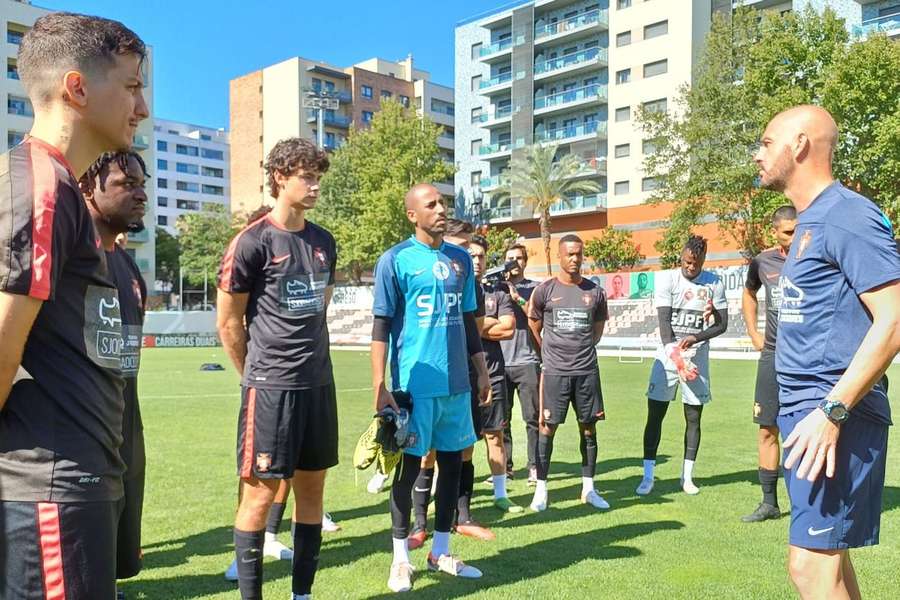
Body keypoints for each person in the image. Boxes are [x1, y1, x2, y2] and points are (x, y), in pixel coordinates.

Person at [0, 13, 148, 599]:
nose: (140, 107)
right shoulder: (39, 185)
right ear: (77, 87)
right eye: (132, 85)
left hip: (73, 483)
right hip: (50, 485)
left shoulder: (55, 184)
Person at [755, 105, 900, 599]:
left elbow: (894, 318)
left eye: (766, 142)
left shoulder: (847, 215)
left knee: (810, 567)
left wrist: (832, 411)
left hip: (832, 414)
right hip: (808, 414)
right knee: (828, 563)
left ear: (799, 145)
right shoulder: (811, 221)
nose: (759, 154)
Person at [217, 137, 337, 600]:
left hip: (319, 385)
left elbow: (319, 307)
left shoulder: (324, 241)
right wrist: (256, 374)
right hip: (271, 389)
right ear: (280, 178)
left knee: (312, 493)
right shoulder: (252, 242)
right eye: (306, 176)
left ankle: (301, 595)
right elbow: (228, 322)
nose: (314, 185)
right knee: (260, 496)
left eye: (317, 177)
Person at [371, 184, 490, 593]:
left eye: (443, 203)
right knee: (407, 473)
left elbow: (469, 318)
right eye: (432, 205)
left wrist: (481, 370)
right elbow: (381, 326)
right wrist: (379, 385)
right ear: (412, 215)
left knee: (453, 470)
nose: (441, 210)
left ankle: (440, 551)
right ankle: (401, 560)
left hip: (456, 383)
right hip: (414, 388)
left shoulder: (460, 259)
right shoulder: (395, 260)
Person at [80, 151, 151, 597]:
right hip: (75, 439)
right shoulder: (67, 258)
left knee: (113, 550)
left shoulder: (126, 266)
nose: (142, 194)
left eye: (143, 184)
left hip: (123, 424)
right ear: (88, 187)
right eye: (127, 184)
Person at [636, 235, 728, 496]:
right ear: (682, 256)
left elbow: (722, 325)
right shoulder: (667, 280)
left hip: (697, 357)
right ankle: (648, 476)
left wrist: (696, 338)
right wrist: (676, 357)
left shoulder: (714, 283)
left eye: (696, 263)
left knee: (694, 417)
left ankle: (687, 477)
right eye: (688, 262)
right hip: (668, 356)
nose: (691, 267)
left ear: (703, 260)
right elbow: (665, 326)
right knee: (655, 415)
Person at [527, 235, 610, 512]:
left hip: (586, 371)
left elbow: (596, 331)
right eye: (570, 254)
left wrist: (581, 349)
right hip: (554, 372)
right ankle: (541, 490)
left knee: (588, 428)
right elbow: (534, 326)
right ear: (560, 257)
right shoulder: (545, 291)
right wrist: (550, 352)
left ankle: (589, 488)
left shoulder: (595, 292)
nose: (575, 259)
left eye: (579, 254)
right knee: (547, 428)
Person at [740, 205, 797, 523]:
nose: (794, 237)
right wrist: (753, 332)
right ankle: (769, 503)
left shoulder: (815, 257)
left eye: (798, 229)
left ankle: (807, 502)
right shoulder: (763, 262)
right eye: (788, 231)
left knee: (803, 431)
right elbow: (749, 293)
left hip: (806, 358)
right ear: (774, 231)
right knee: (767, 430)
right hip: (772, 356)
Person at [499, 244, 542, 485]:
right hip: (501, 362)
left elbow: (537, 318)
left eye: (518, 258)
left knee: (532, 418)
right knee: (501, 420)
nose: (513, 262)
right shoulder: (495, 288)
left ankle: (534, 466)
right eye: (509, 259)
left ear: (525, 262)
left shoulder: (535, 289)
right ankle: (505, 467)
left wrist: (517, 297)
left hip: (527, 361)